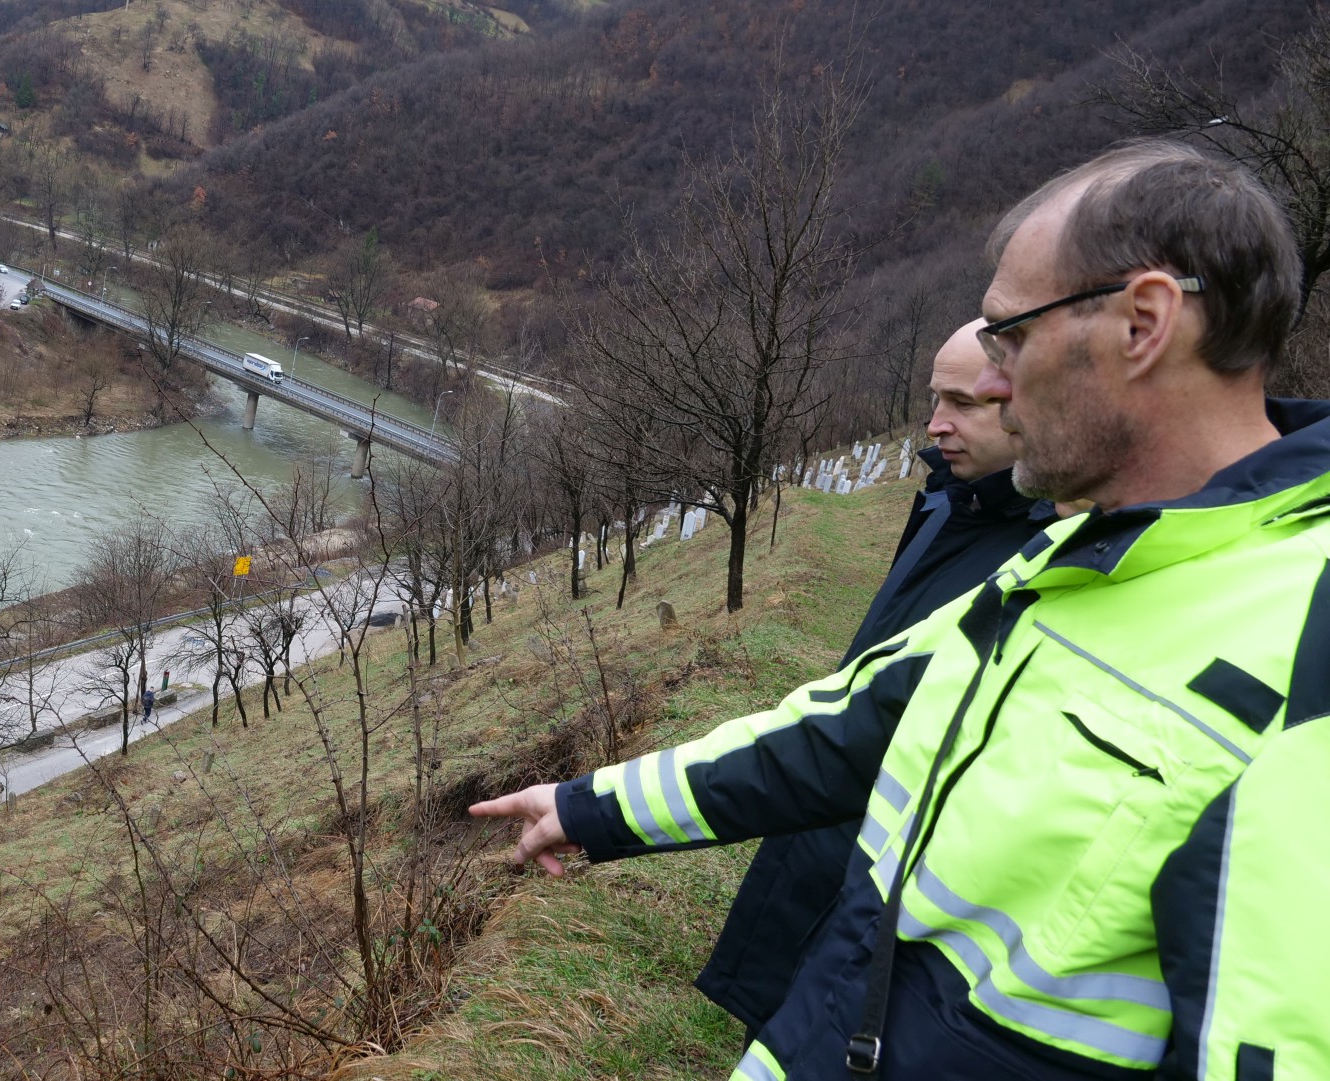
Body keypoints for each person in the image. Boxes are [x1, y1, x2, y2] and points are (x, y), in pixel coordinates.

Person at [472, 139, 1325, 1079]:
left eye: (1010, 337)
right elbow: (847, 727)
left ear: (1143, 322)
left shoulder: (1306, 655)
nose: (994, 383)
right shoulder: (1076, 554)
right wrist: (593, 806)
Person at [696, 320, 1064, 1043]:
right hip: (827, 826)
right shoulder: (947, 501)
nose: (935, 423)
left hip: (893, 890)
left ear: (1038, 400)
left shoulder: (1049, 559)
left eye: (962, 402)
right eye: (935, 398)